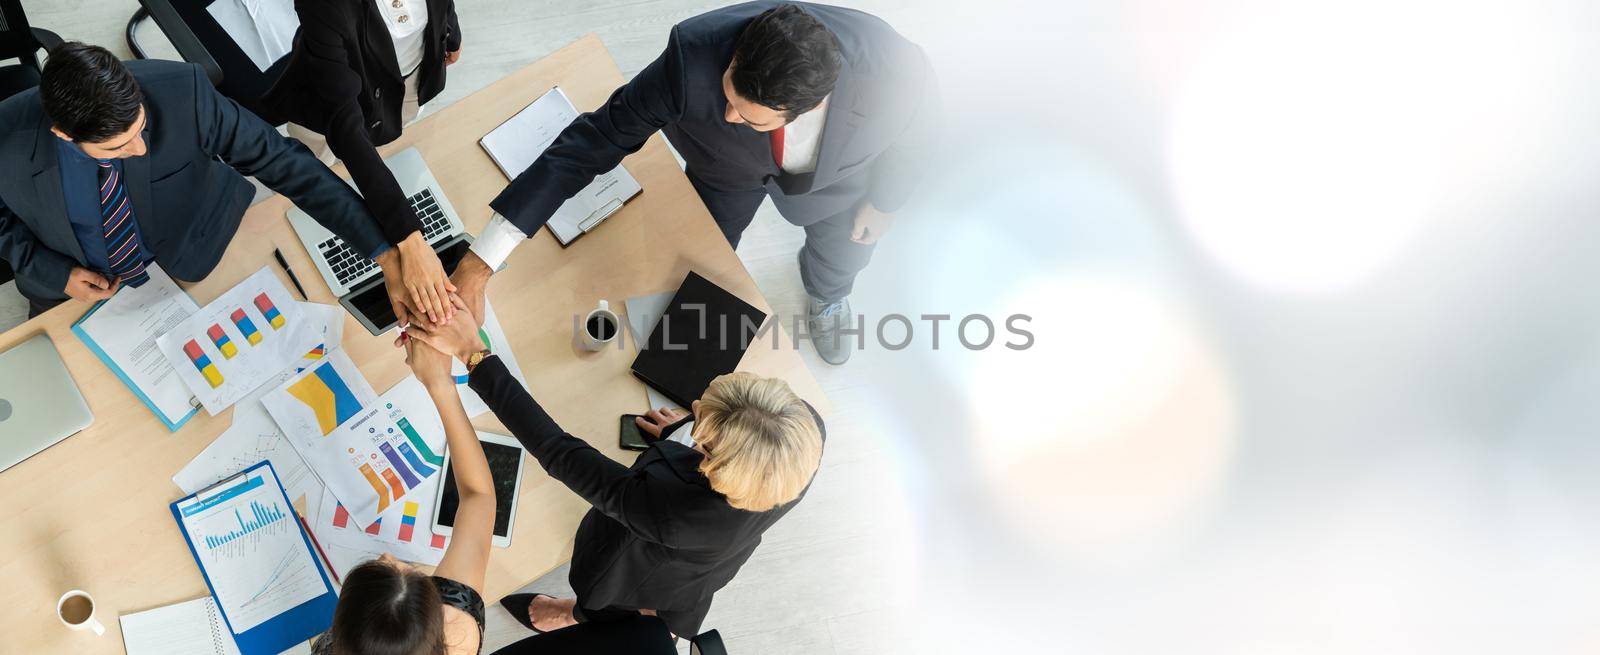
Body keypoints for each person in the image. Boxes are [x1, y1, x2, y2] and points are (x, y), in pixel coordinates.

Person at [449, 1, 938, 365]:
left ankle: (829, 295)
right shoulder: (693, 55)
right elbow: (592, 141)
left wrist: (886, 202)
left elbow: (921, 132)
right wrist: (480, 262)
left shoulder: (894, 69)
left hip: (843, 187)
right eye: (727, 96)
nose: (727, 115)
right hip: (724, 173)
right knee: (706, 263)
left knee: (844, 253)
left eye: (750, 118)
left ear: (807, 108)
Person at [405, 298, 826, 639]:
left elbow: (558, 452)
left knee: (605, 596)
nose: (691, 410)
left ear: (718, 466)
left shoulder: (673, 513)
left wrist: (473, 355)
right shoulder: (803, 431)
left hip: (651, 571)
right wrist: (683, 434)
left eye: (702, 430)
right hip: (715, 555)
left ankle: (577, 615)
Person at [0, 42, 414, 318]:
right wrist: (53, 274)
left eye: (140, 130)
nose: (140, 149)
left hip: (192, 250)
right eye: (117, 148)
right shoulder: (6, 139)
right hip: (68, 286)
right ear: (65, 135)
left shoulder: (183, 93)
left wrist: (383, 253)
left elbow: (286, 164)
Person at [260, 0, 464, 325]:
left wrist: (449, 33)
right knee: (315, 160)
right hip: (330, 107)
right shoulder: (326, 7)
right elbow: (344, 124)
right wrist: (409, 238)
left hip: (410, 79)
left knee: (392, 128)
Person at [312, 330, 496, 655]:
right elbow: (479, 495)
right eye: (408, 571)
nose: (388, 556)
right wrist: (440, 385)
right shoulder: (459, 633)